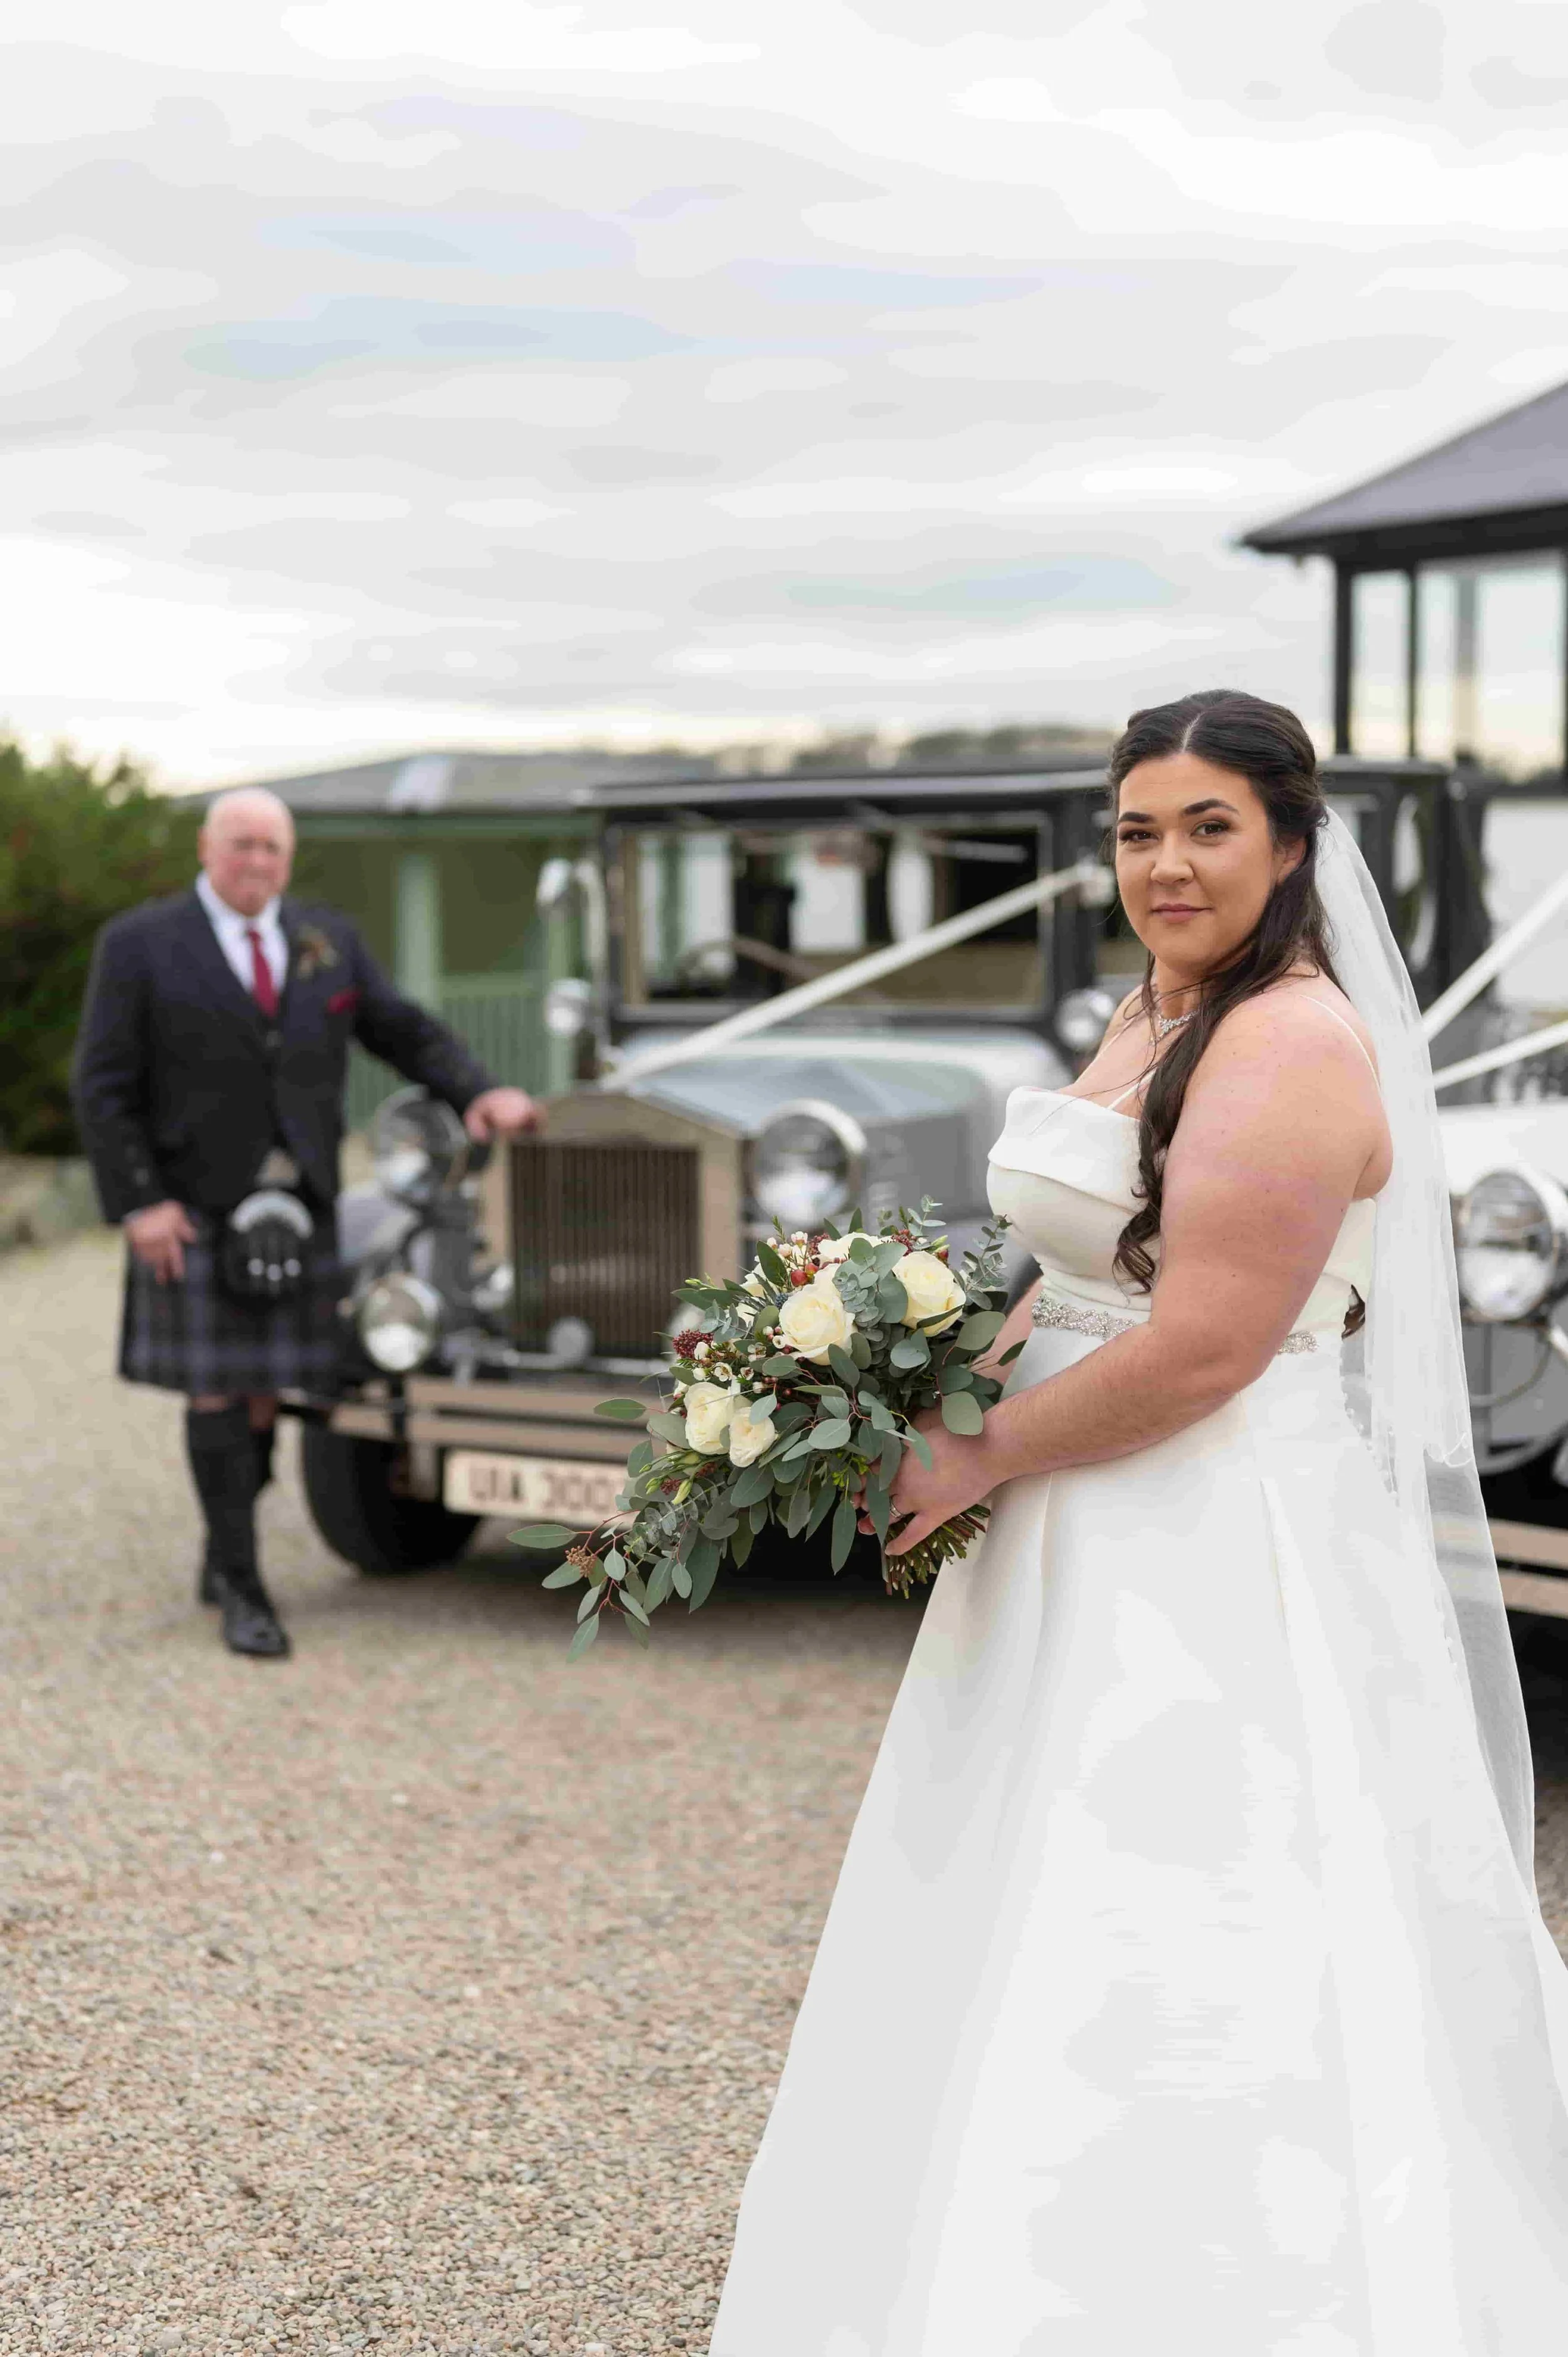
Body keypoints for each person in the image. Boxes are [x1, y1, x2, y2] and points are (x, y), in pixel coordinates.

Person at [709, 691, 1568, 2351]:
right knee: (1015, 1871)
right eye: (1133, 830)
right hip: (1073, 1504)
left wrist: (976, 1456)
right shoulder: (1152, 1000)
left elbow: (1202, 1347)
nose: (1163, 862)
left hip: (1214, 1522)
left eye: (1205, 827)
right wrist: (920, 1388)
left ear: (1293, 843)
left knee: (1198, 1880)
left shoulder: (1295, 1039)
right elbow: (1083, 1273)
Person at [71, 787, 541, 1661]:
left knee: (262, 1397)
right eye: (242, 844)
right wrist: (140, 1202)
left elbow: (399, 1029)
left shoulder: (325, 941)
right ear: (207, 849)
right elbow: (102, 1084)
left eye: (272, 850)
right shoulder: (140, 945)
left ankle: (226, 1551)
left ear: (289, 860)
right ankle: (243, 1589)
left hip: (304, 1203)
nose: (257, 863)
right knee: (218, 1392)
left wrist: (480, 1091)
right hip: (195, 1205)